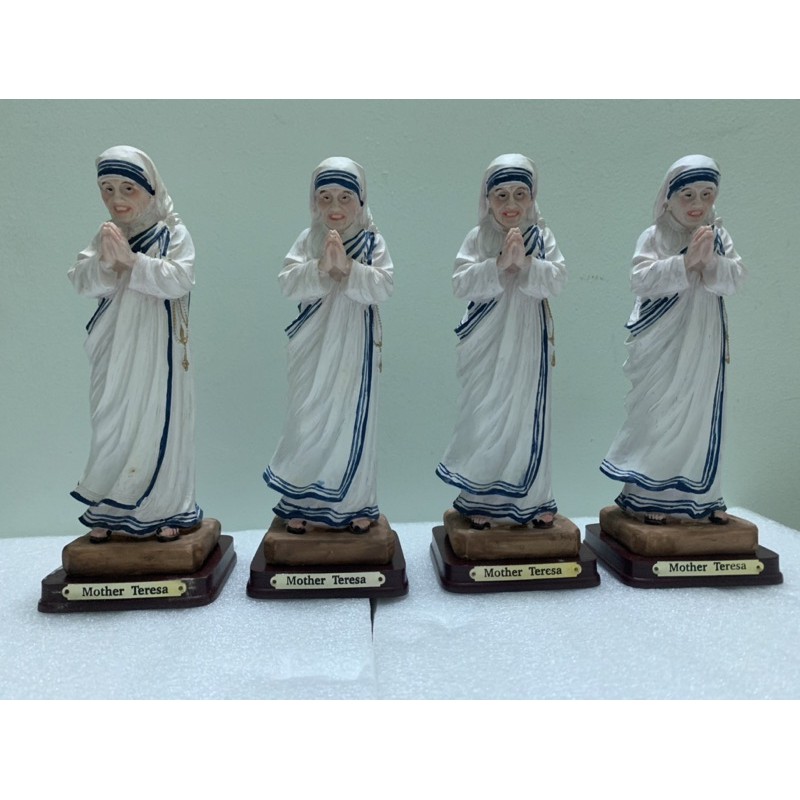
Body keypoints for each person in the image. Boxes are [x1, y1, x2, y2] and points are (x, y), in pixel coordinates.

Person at [600, 154, 746, 524]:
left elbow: (735, 278)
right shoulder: (654, 236)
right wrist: (684, 262)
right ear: (669, 196)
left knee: (700, 412)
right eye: (688, 195)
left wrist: (710, 262)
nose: (697, 204)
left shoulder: (719, 235)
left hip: (703, 338)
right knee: (660, 411)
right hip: (662, 342)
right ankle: (651, 494)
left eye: (706, 194)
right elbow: (640, 280)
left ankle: (701, 497)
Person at [69, 145, 202, 543]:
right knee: (110, 420)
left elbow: (180, 279)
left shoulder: (172, 235)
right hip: (113, 348)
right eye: (107, 189)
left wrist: (131, 262)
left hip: (157, 351)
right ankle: (109, 507)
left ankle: (164, 509)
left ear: (151, 189)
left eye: (128, 189)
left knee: (156, 420)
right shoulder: (106, 236)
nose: (117, 199)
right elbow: (81, 280)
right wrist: (105, 264)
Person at [264, 157, 393, 534]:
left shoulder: (372, 242)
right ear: (314, 202)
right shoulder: (308, 241)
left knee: (351, 419)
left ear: (361, 200)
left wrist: (349, 269)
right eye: (326, 198)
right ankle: (300, 502)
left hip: (354, 347)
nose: (335, 207)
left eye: (344, 198)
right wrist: (320, 267)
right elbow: (287, 283)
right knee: (307, 417)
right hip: (313, 345)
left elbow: (384, 286)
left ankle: (355, 504)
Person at [436, 154, 566, 529]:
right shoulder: (478, 238)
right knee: (485, 413)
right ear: (488, 199)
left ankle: (533, 499)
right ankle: (480, 497)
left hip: (527, 340)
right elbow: (460, 284)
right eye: (501, 195)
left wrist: (525, 264)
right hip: (487, 342)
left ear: (532, 197)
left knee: (527, 414)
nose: (511, 204)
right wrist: (497, 265)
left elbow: (557, 280)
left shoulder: (542, 237)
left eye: (520, 194)